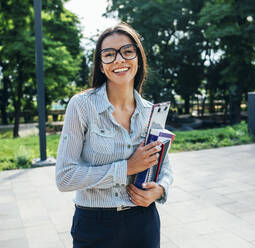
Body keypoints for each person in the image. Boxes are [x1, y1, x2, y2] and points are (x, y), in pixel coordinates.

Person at [56, 22, 173, 248]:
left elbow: (164, 167)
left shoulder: (151, 111)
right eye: (109, 54)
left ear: (138, 58)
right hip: (95, 226)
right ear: (100, 65)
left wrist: (160, 189)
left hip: (144, 222)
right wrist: (127, 168)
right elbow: (65, 177)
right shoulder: (81, 106)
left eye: (127, 51)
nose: (119, 59)